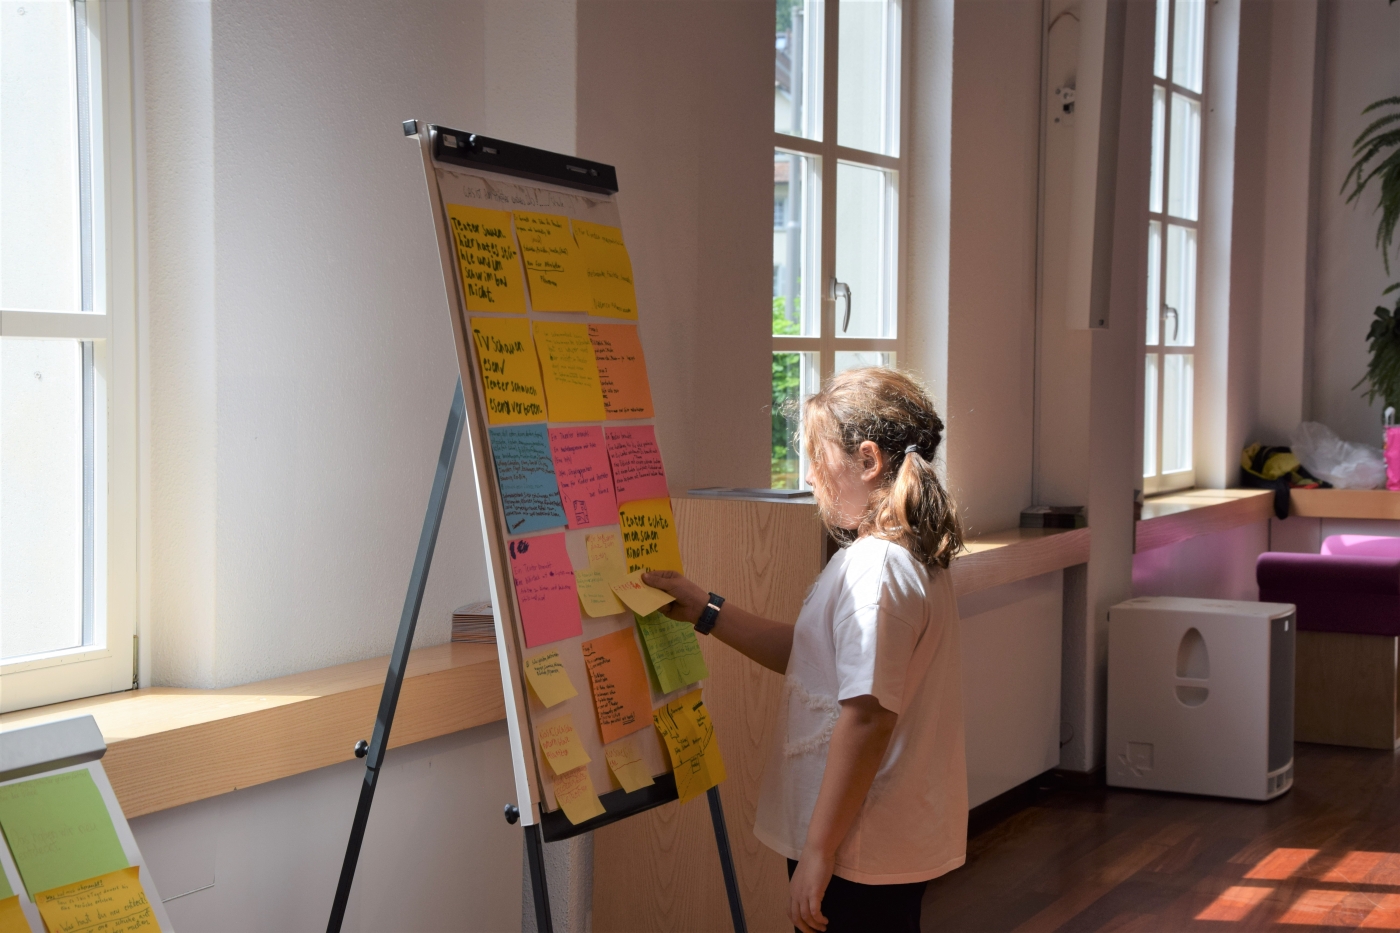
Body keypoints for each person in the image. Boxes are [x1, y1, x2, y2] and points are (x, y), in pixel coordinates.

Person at [644, 367, 968, 933]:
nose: (811, 476)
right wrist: (705, 610)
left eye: (818, 458)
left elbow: (867, 717)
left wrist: (819, 851)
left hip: (857, 845)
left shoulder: (876, 571)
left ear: (868, 461)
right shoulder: (890, 556)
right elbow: (816, 658)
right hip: (865, 837)